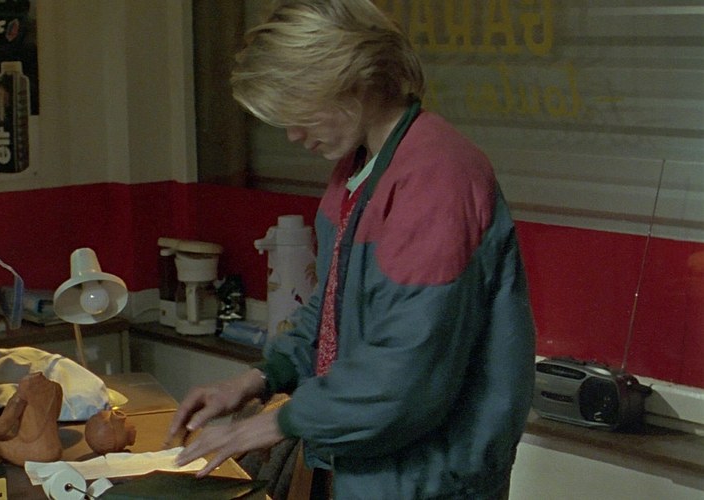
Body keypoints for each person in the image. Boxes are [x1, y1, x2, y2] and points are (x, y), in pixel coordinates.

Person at [166, 1, 536, 498]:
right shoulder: (359, 170)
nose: (293, 135)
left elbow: (405, 370)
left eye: (300, 112)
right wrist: (259, 378)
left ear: (352, 80)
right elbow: (332, 313)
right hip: (375, 468)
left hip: (428, 478)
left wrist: (271, 425)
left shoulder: (435, 178)